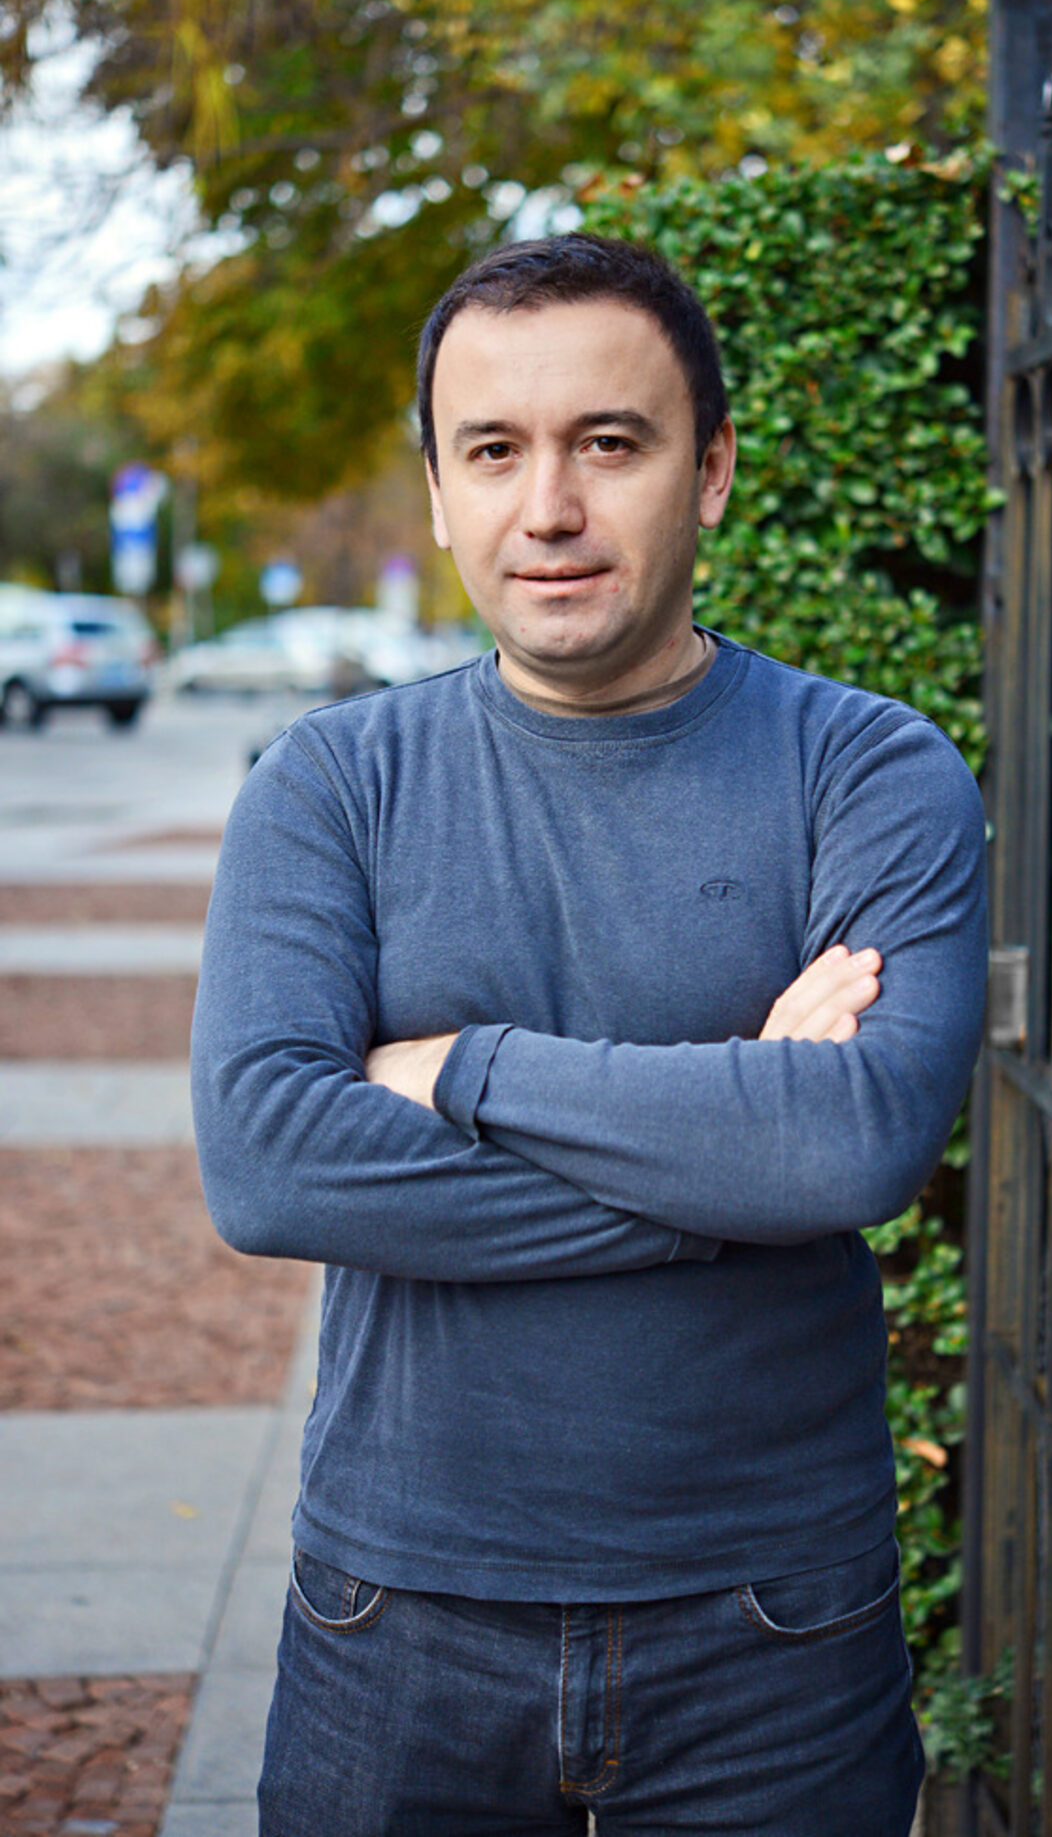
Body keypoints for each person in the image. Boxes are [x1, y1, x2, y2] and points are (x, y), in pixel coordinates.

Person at [191, 230, 988, 1835]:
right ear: (437, 492)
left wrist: (457, 1069)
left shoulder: (868, 770)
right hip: (396, 1609)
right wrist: (736, 1166)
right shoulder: (330, 782)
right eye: (492, 450)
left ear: (711, 471)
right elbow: (271, 1165)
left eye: (608, 443)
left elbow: (854, 1145)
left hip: (772, 1620)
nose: (546, 507)